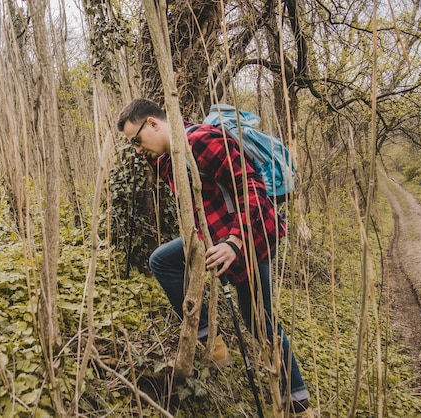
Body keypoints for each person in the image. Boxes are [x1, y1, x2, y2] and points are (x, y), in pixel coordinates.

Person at [117, 98, 312, 416]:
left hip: (248, 240)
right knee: (163, 261)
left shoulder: (202, 141)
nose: (137, 150)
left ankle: (298, 402)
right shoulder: (167, 158)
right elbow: (166, 164)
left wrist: (235, 242)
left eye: (137, 140)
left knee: (259, 321)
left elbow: (253, 189)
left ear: (153, 123)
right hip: (211, 239)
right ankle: (211, 342)